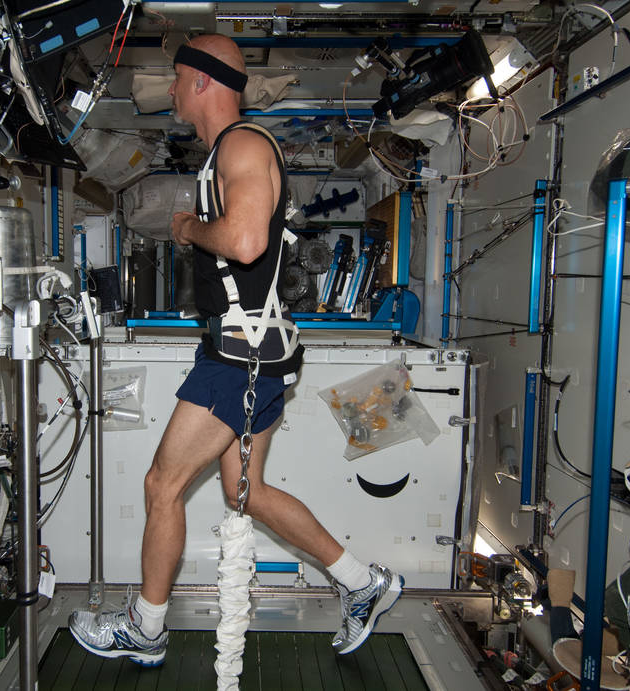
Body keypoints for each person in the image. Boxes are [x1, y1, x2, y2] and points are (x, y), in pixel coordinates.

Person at [68, 33, 403, 667]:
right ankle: (364, 583)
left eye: (174, 78)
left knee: (161, 483)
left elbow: (246, 242)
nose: (168, 89)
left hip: (238, 359)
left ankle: (146, 627)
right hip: (256, 352)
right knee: (245, 493)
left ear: (202, 82)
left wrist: (188, 227)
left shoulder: (241, 145)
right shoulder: (228, 151)